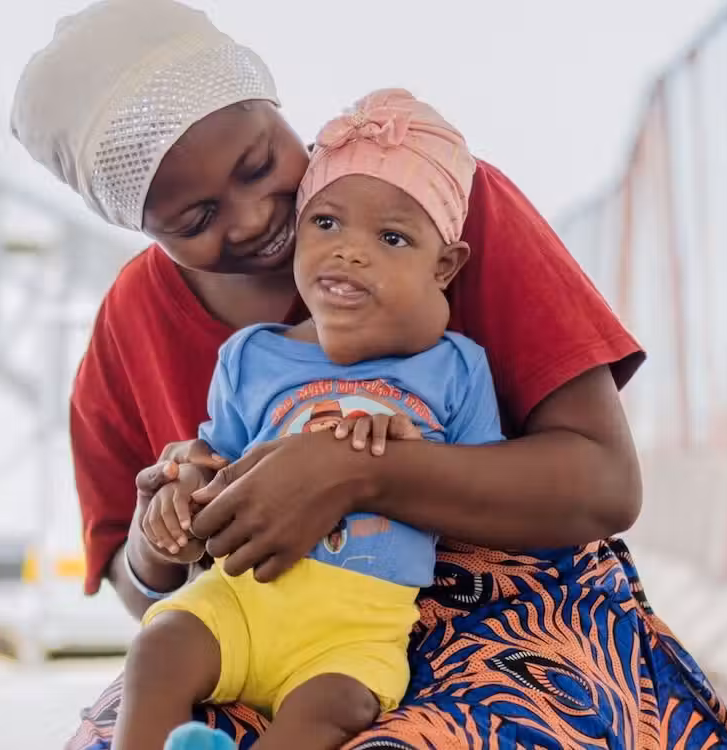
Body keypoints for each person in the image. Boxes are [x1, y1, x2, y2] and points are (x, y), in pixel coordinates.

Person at [10, 1, 727, 747]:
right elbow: (140, 587)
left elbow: (605, 485)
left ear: (273, 104)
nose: (251, 217)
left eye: (259, 164)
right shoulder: (132, 324)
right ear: (142, 227)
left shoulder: (433, 204)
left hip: (509, 608)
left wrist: (358, 472)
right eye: (194, 220)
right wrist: (163, 535)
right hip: (259, 623)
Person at [124, 89, 502, 750]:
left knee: (334, 707)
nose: (349, 251)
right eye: (326, 223)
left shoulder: (456, 368)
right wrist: (179, 501)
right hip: (240, 601)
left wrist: (410, 460)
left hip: (354, 633)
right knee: (159, 648)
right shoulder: (251, 356)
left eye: (391, 238)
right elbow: (213, 469)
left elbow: (488, 495)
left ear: (444, 266)